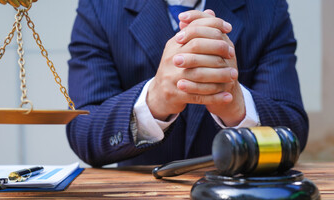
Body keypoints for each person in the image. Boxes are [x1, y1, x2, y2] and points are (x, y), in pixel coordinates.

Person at [66, 0, 309, 167]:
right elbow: (83, 131)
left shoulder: (267, 7)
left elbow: (293, 133)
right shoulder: (100, 7)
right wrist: (154, 101)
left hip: (238, 198)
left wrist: (238, 106)